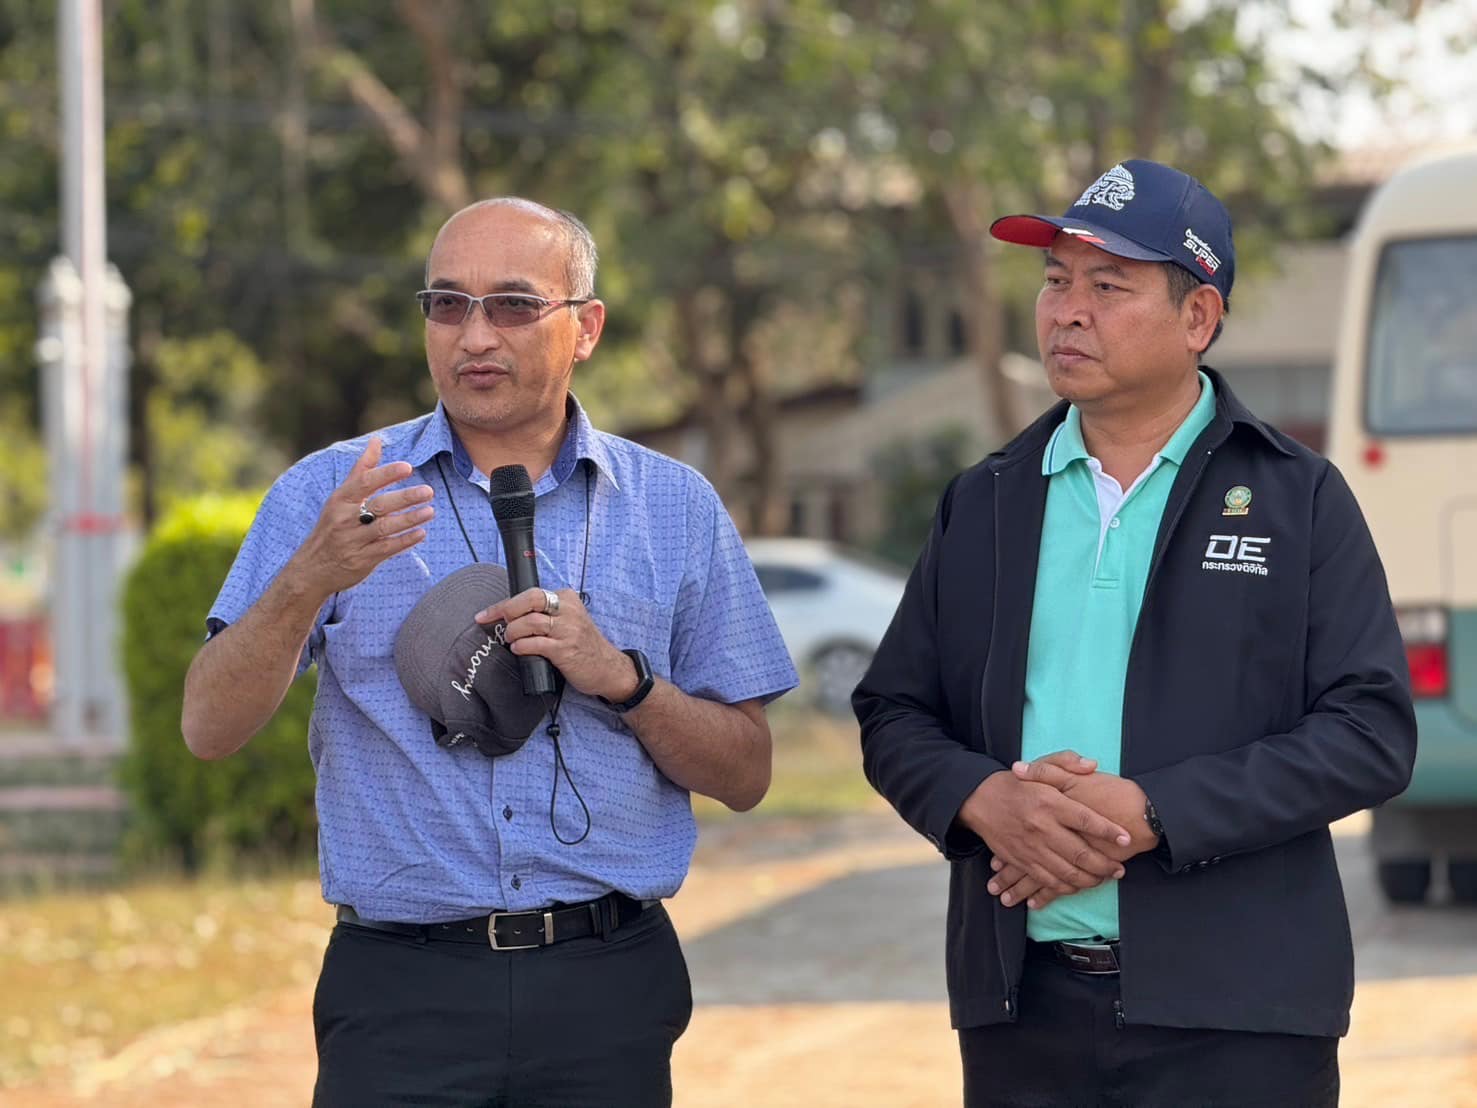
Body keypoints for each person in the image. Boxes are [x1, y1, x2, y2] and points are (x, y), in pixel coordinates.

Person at [181, 197, 798, 1106]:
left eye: (512, 304)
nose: (474, 336)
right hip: (399, 990)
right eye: (447, 304)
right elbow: (208, 726)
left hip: (606, 983)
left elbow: (745, 774)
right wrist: (311, 574)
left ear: (585, 328)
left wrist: (624, 681)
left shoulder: (674, 506)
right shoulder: (334, 493)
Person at [853, 159, 1416, 1107]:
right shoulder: (987, 499)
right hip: (1022, 1013)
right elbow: (894, 713)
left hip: (1241, 1015)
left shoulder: (1295, 497)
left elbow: (1368, 734)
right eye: (1055, 281)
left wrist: (1152, 811)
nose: (1066, 312)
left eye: (1107, 287)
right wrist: (984, 799)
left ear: (1197, 317)